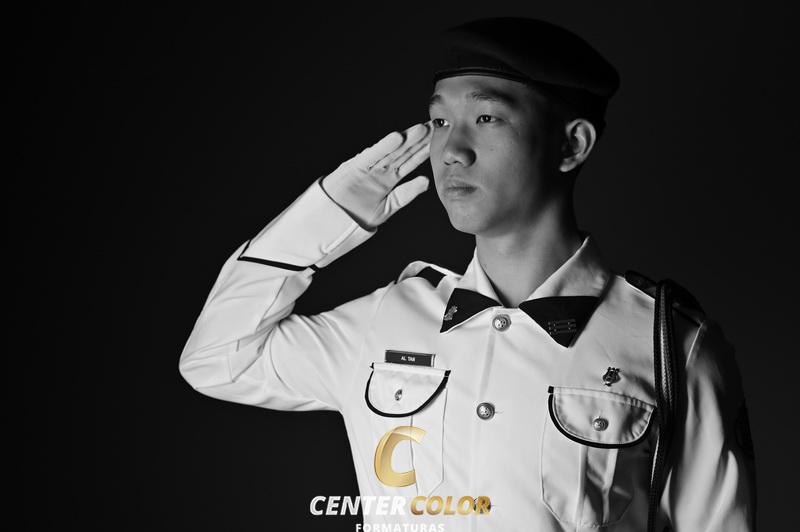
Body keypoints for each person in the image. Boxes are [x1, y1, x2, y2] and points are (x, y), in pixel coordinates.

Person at [179, 17, 756, 531]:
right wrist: (328, 215)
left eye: (486, 117)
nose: (451, 149)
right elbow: (216, 360)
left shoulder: (670, 344)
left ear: (571, 144)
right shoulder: (387, 321)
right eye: (438, 121)